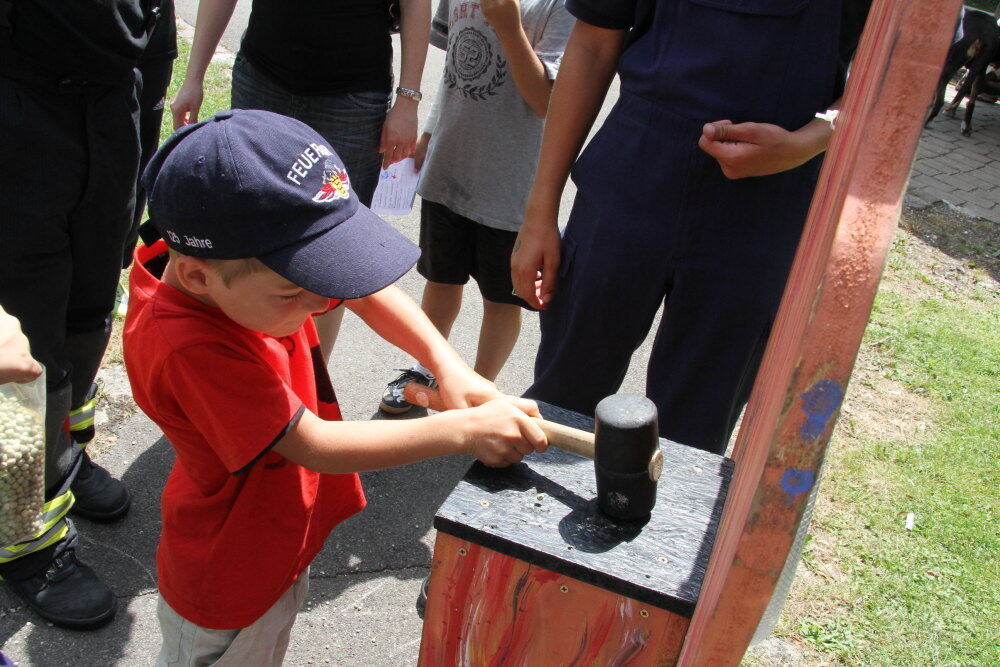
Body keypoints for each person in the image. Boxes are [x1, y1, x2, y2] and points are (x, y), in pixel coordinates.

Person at [124, 109, 547, 664]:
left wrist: (449, 367)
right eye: (298, 292)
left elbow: (359, 290)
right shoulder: (189, 347)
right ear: (199, 275)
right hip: (227, 574)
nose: (323, 303)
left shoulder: (242, 273)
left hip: (272, 543)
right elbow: (314, 445)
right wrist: (463, 430)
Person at [510, 0, 872, 455]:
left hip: (768, 204)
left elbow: (903, 72)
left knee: (695, 428)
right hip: (631, 174)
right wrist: (540, 210)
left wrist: (815, 137)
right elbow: (594, 44)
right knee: (565, 390)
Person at [0, 0, 158, 629]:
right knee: (24, 350)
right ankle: (22, 538)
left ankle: (64, 456)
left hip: (111, 110)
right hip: (19, 112)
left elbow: (153, 27)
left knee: (89, 315)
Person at [170, 0, 432, 362]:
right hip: (264, 75)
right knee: (248, 237)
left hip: (353, 93)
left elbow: (416, 4)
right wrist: (193, 76)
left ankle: (311, 376)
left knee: (333, 248)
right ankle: (248, 367)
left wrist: (408, 100)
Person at [379, 0, 573, 414]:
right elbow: (455, 68)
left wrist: (508, 24)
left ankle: (481, 393)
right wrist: (430, 130)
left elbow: (546, 101)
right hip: (451, 163)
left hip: (513, 183)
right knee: (440, 281)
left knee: (501, 299)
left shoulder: (565, 7)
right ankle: (423, 369)